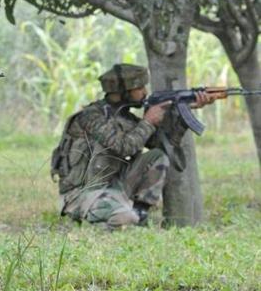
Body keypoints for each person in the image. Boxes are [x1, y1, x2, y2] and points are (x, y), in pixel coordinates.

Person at [50, 64, 212, 230]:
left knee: (157, 156)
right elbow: (124, 147)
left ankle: (140, 214)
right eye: (139, 88)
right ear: (123, 91)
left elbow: (163, 145)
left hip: (113, 186)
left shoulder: (125, 118)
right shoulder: (92, 117)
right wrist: (148, 121)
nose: (145, 92)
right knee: (124, 217)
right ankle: (117, 218)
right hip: (82, 193)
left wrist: (182, 115)